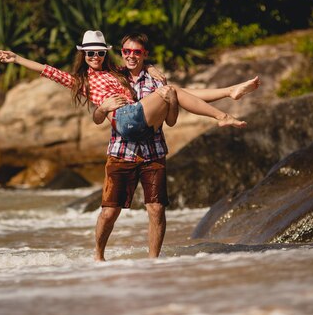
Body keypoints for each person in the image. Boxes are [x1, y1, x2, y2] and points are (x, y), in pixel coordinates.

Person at [91, 32, 260, 261]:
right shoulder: (112, 76)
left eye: (137, 52)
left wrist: (164, 90)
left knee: (156, 209)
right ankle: (98, 256)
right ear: (120, 53)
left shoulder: (157, 81)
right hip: (122, 152)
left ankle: (154, 261)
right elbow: (96, 109)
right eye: (126, 51)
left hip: (153, 151)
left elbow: (171, 120)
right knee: (109, 212)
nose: (131, 56)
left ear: (145, 54)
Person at [0, 30, 246, 144]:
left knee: (175, 92)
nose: (95, 56)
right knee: (174, 92)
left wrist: (150, 67)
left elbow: (137, 64)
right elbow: (48, 70)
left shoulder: (117, 72)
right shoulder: (81, 81)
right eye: (90, 53)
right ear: (84, 55)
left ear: (105, 54)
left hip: (138, 117)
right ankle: (221, 116)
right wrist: (16, 59)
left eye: (99, 53)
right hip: (125, 120)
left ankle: (228, 92)